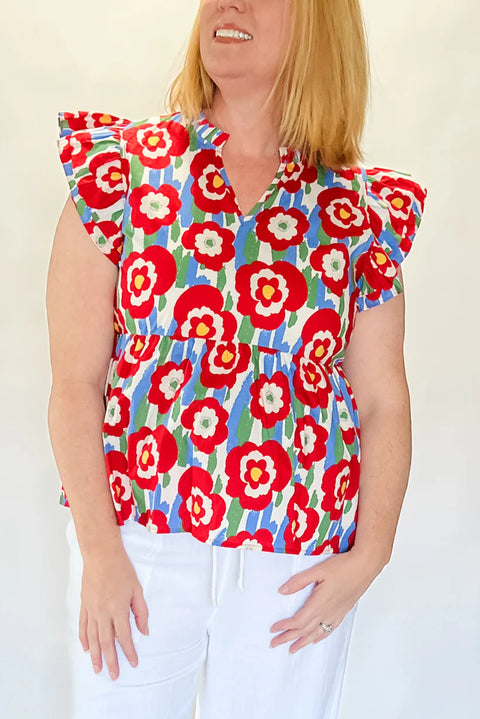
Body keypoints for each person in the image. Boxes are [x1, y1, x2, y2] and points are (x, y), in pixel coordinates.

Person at [46, 0, 427, 717]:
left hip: (298, 560)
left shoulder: (359, 212)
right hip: (137, 542)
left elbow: (383, 399)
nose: (229, 2)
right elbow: (74, 382)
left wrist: (372, 552)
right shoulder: (119, 172)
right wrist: (99, 549)